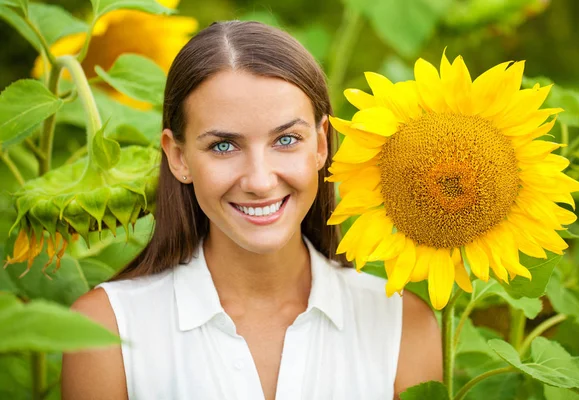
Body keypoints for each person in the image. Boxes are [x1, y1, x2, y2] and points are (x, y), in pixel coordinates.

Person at [62, 20, 442, 400]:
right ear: (178, 157)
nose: (259, 181)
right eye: (224, 146)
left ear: (322, 145)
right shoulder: (104, 330)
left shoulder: (402, 325)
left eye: (287, 139)